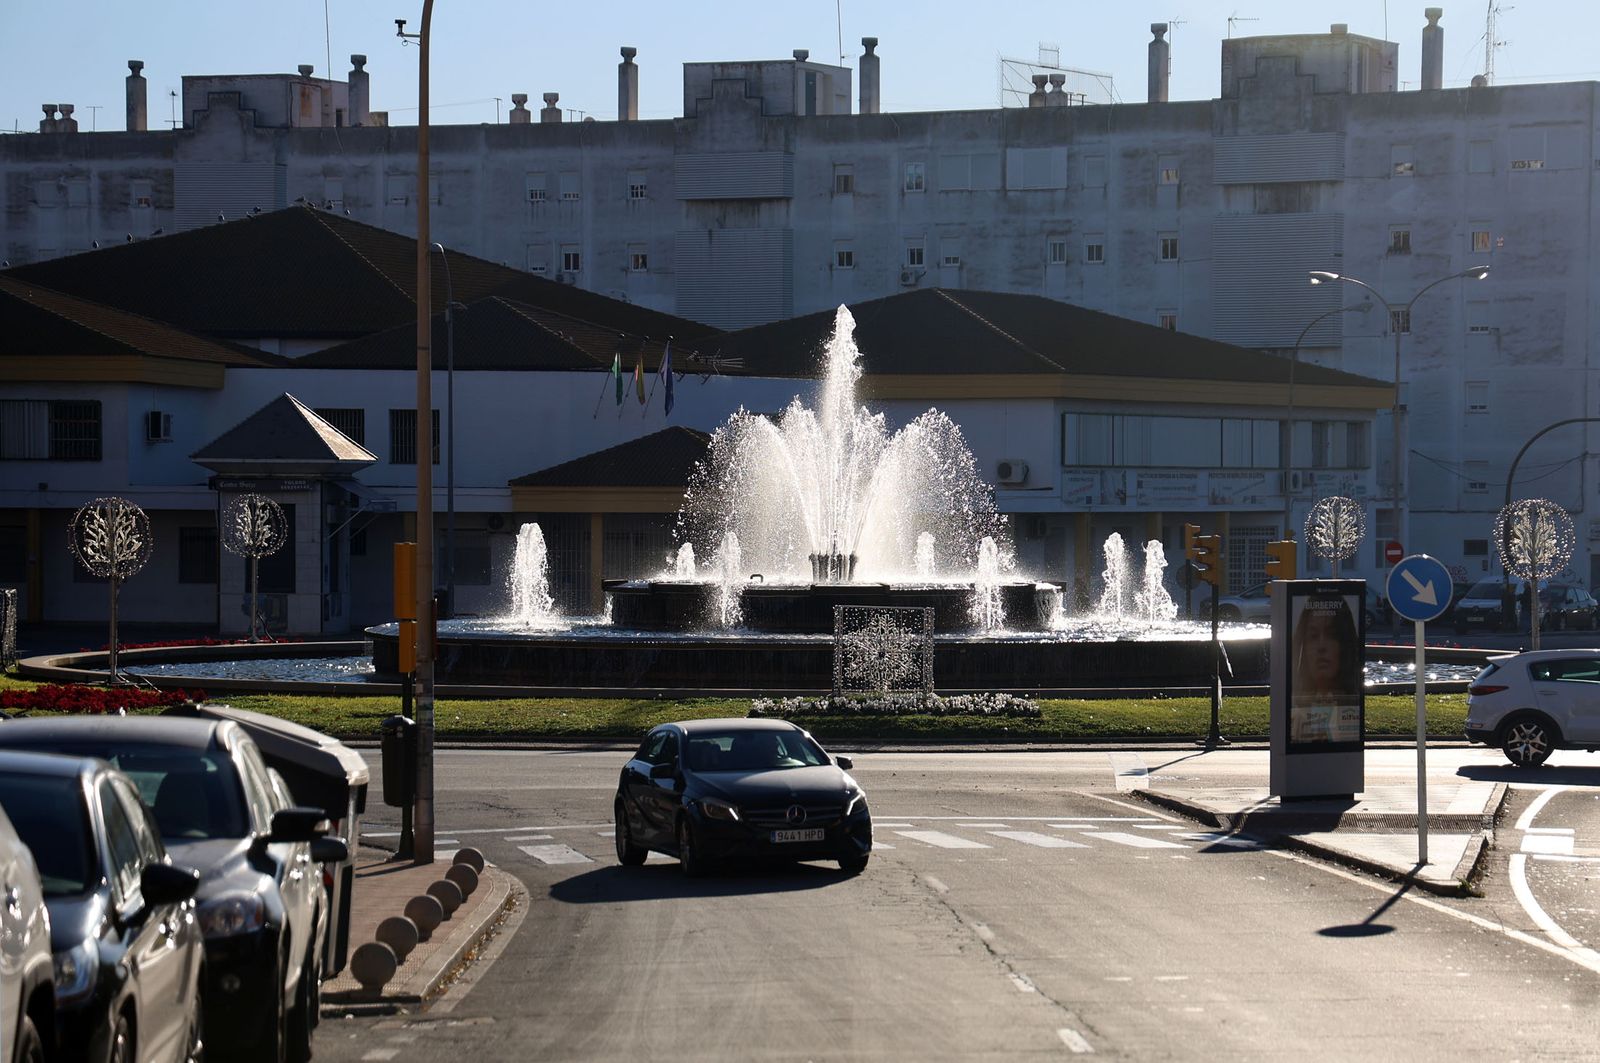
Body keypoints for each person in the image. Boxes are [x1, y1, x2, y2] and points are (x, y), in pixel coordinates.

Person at [1290, 593, 1361, 743]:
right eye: (1313, 636)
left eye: (1332, 635)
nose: (1321, 646)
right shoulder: (1295, 711)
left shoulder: (1351, 707)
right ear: (1303, 645)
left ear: (1345, 643)